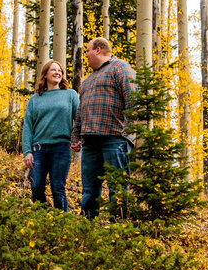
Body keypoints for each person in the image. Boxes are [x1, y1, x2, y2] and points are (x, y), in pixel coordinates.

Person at [71, 37, 136, 218]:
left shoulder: (120, 67)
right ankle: (87, 227)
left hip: (114, 138)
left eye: (88, 51)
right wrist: (75, 137)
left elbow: (133, 98)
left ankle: (119, 230)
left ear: (98, 50)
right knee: (89, 189)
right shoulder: (87, 80)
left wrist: (128, 132)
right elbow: (80, 112)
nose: (86, 55)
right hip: (90, 142)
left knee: (117, 187)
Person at [21, 60, 78, 211]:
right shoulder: (35, 99)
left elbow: (79, 119)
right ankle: (42, 221)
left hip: (61, 148)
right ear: (45, 74)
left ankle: (62, 222)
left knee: (58, 187)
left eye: (60, 70)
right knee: (36, 185)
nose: (57, 72)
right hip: (39, 149)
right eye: (53, 70)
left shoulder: (70, 95)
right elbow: (28, 126)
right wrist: (27, 151)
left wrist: (77, 139)